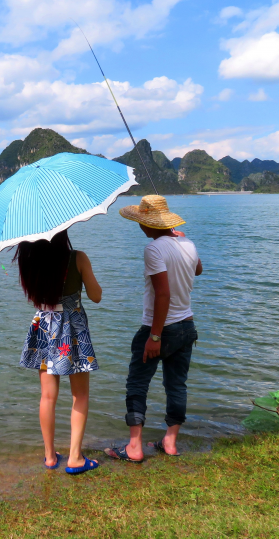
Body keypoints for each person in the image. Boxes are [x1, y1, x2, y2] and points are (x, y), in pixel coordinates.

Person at [105, 195, 203, 463]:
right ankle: (170, 441)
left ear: (148, 224)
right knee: (177, 385)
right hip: (187, 327)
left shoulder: (153, 250)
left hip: (159, 328)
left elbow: (163, 295)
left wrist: (155, 336)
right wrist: (182, 240)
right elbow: (198, 270)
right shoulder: (187, 242)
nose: (139, 226)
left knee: (137, 383)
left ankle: (134, 447)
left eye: (141, 221)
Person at [15, 229, 103, 475]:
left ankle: (50, 456)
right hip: (73, 328)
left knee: (47, 397)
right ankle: (75, 457)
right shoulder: (78, 258)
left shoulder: (31, 261)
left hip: (44, 325)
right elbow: (96, 296)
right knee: (80, 395)